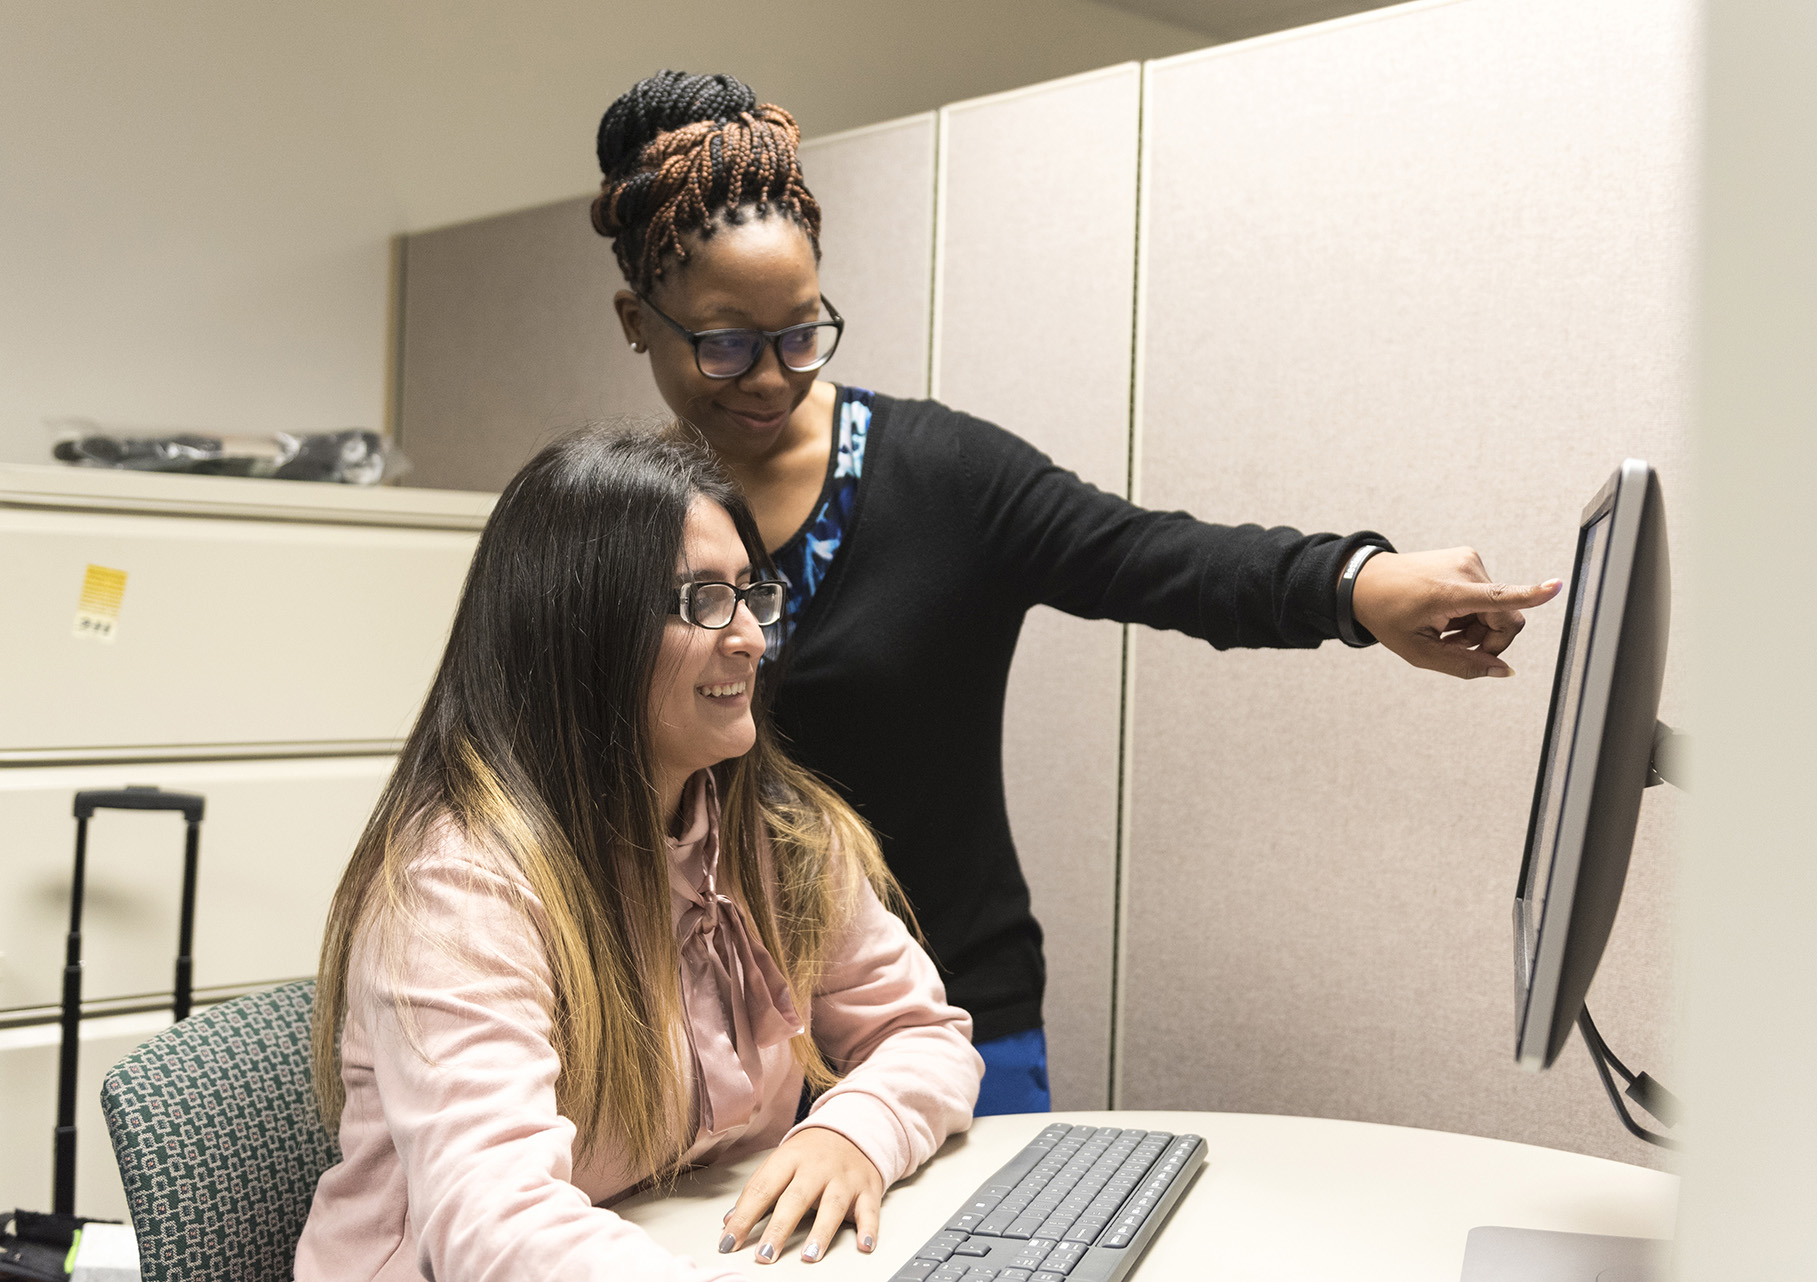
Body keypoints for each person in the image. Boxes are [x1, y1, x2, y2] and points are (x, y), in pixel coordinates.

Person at [591, 70, 1563, 1116]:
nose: (773, 376)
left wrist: (1357, 582)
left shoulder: (946, 475)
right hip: (707, 1042)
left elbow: (1157, 557)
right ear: (636, 322)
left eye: (800, 331)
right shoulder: (613, 528)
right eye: (726, 343)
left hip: (951, 1019)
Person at [297, 428, 981, 1280]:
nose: (751, 641)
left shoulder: (775, 834)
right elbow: (498, 1227)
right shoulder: (458, 886)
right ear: (580, 637)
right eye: (700, 603)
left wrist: (857, 1128)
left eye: (748, 595)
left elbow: (924, 1034)